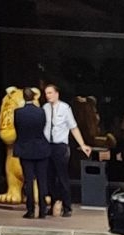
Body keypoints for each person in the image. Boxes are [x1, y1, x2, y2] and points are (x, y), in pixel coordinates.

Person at [41, 84, 80, 216]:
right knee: (49, 177)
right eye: (46, 93)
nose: (48, 96)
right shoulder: (44, 108)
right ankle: (52, 204)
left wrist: (83, 143)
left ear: (57, 94)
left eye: (50, 93)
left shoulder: (65, 108)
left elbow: (73, 127)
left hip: (60, 146)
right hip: (47, 146)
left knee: (62, 177)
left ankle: (67, 206)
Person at [13, 87, 52, 219]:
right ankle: (43, 210)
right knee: (42, 180)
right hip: (41, 148)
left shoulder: (18, 112)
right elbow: (43, 127)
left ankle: (30, 210)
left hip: (25, 149)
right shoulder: (41, 112)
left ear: (24, 97)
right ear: (34, 97)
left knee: (29, 180)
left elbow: (17, 129)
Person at [0, 87, 24, 207]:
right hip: (15, 156)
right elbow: (7, 135)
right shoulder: (8, 105)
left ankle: (37, 193)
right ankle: (14, 190)